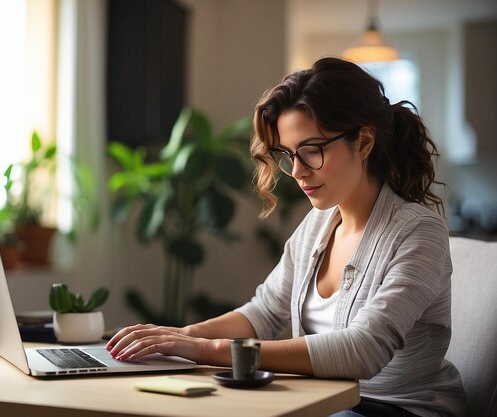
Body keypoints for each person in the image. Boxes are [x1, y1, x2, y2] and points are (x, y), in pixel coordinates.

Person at [106, 57, 466, 417]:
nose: (296, 171)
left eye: (312, 150)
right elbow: (264, 313)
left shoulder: (418, 231)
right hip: (321, 402)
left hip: (400, 409)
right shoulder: (317, 225)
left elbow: (364, 350)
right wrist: (181, 337)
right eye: (288, 154)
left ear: (364, 142)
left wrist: (207, 349)